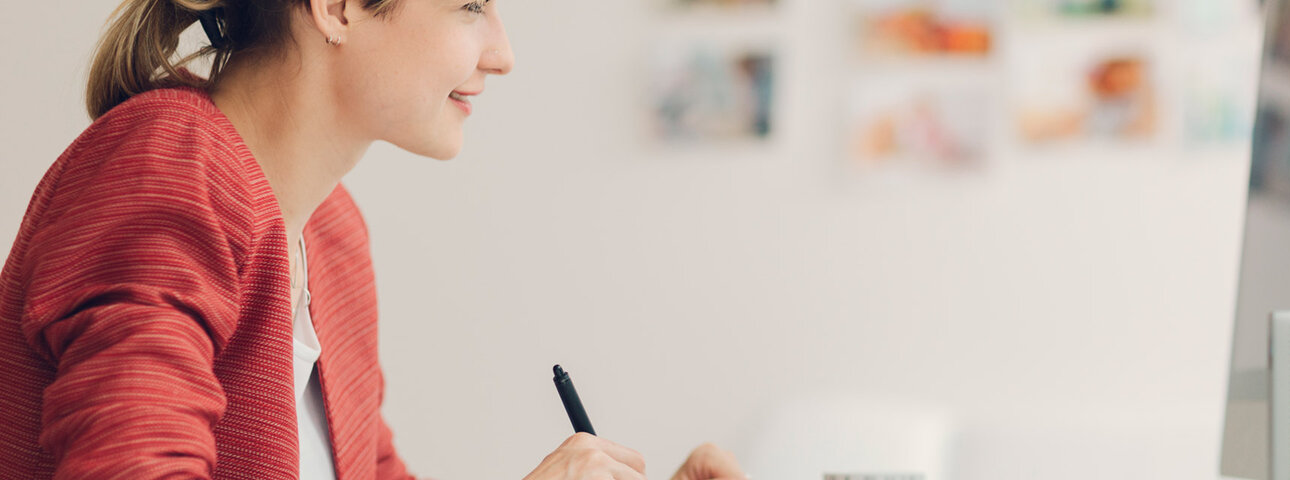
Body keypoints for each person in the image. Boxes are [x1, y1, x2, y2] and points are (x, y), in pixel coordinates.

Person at [0, 0, 747, 479]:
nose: (503, 53)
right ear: (338, 7)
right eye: (471, 5)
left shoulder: (332, 233)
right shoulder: (167, 164)